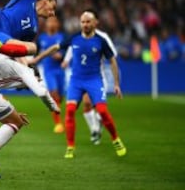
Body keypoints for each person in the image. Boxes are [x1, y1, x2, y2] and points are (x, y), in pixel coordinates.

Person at [32, 10, 126, 158]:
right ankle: (70, 146)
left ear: (95, 23)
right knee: (69, 111)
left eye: (88, 21)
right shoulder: (74, 38)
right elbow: (55, 48)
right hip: (76, 80)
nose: (85, 24)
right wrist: (37, 59)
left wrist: (116, 84)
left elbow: (112, 60)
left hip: (94, 80)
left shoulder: (101, 40)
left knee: (102, 111)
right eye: (83, 22)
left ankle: (115, 139)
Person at [35, 16, 66, 133]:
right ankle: (58, 124)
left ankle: (57, 110)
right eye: (50, 21)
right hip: (48, 71)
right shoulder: (41, 38)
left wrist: (61, 55)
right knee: (54, 94)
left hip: (60, 70)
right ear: (46, 24)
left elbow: (68, 51)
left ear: (58, 24)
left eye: (54, 21)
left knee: (60, 97)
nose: (52, 24)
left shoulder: (62, 37)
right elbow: (36, 53)